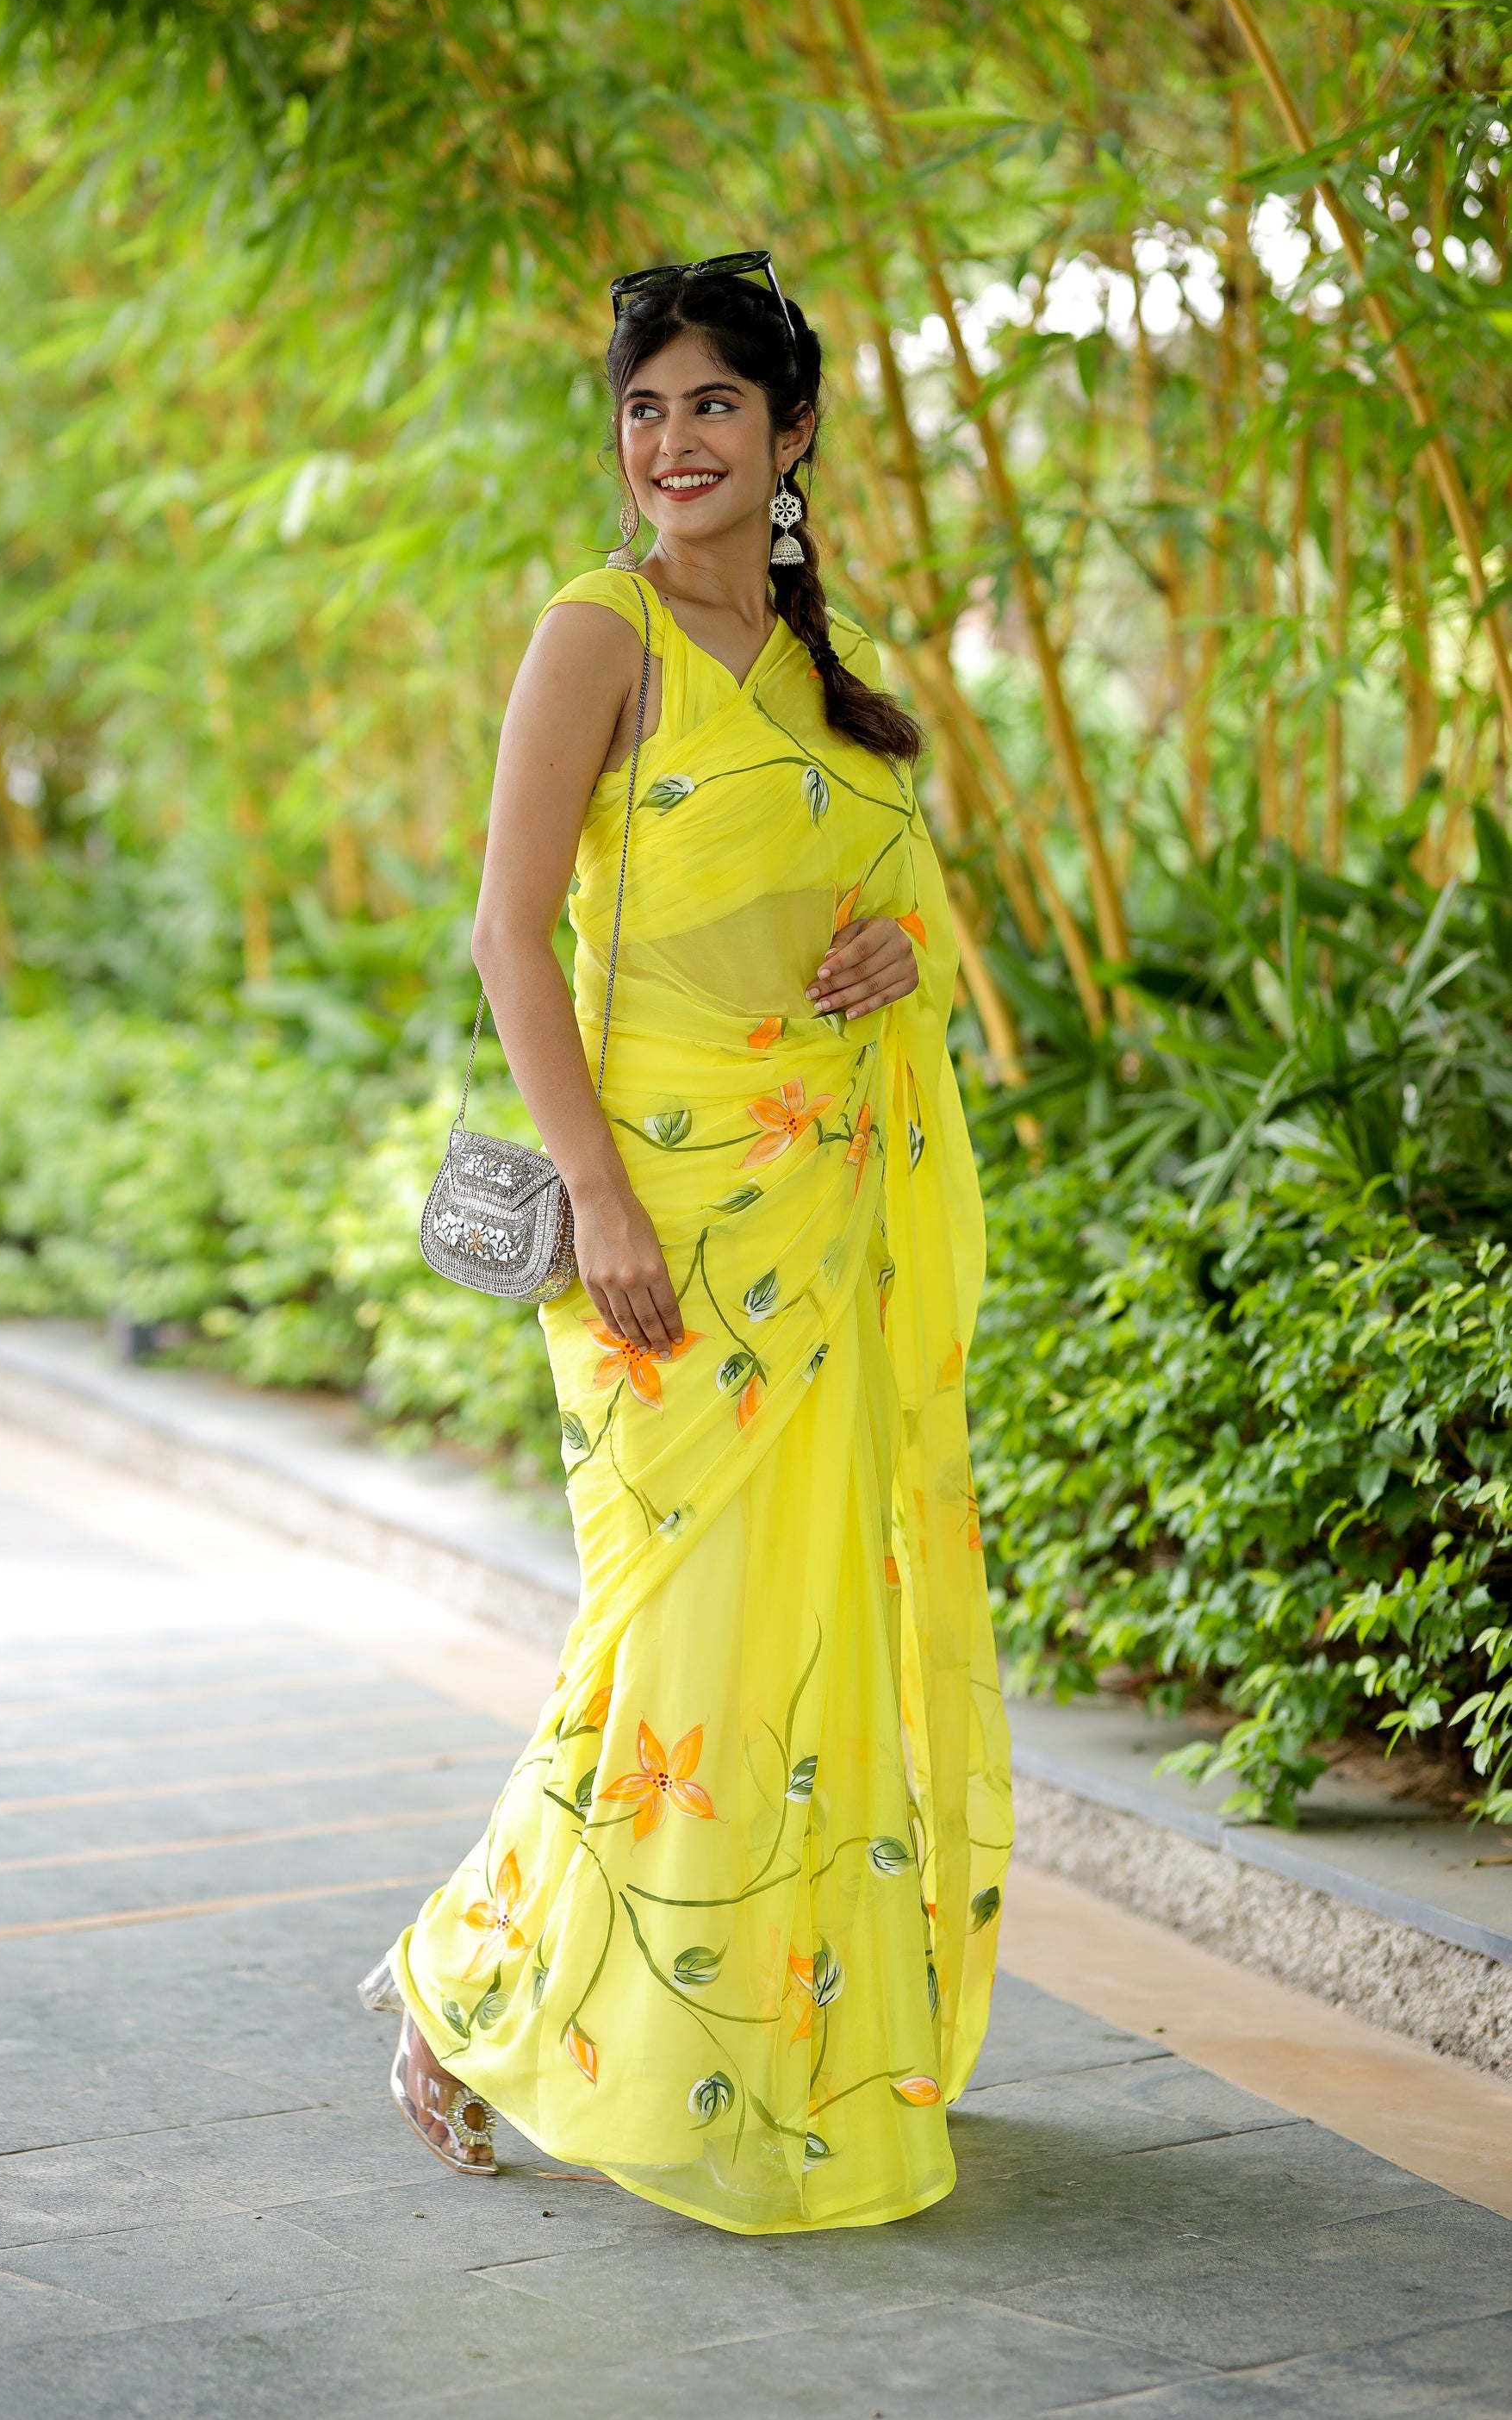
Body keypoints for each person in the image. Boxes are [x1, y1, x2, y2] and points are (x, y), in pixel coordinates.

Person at [358, 252, 1011, 2236]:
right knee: (668, 1629)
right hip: (654, 1214)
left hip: (816, 1204)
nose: (674, 441)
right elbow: (508, 930)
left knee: (793, 1645)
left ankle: (773, 2040)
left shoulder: (826, 678)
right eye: (645, 407)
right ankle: (466, 1984)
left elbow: (872, 907)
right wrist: (610, 1197)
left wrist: (890, 952)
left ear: (792, 434)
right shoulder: (596, 631)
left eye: (714, 404)